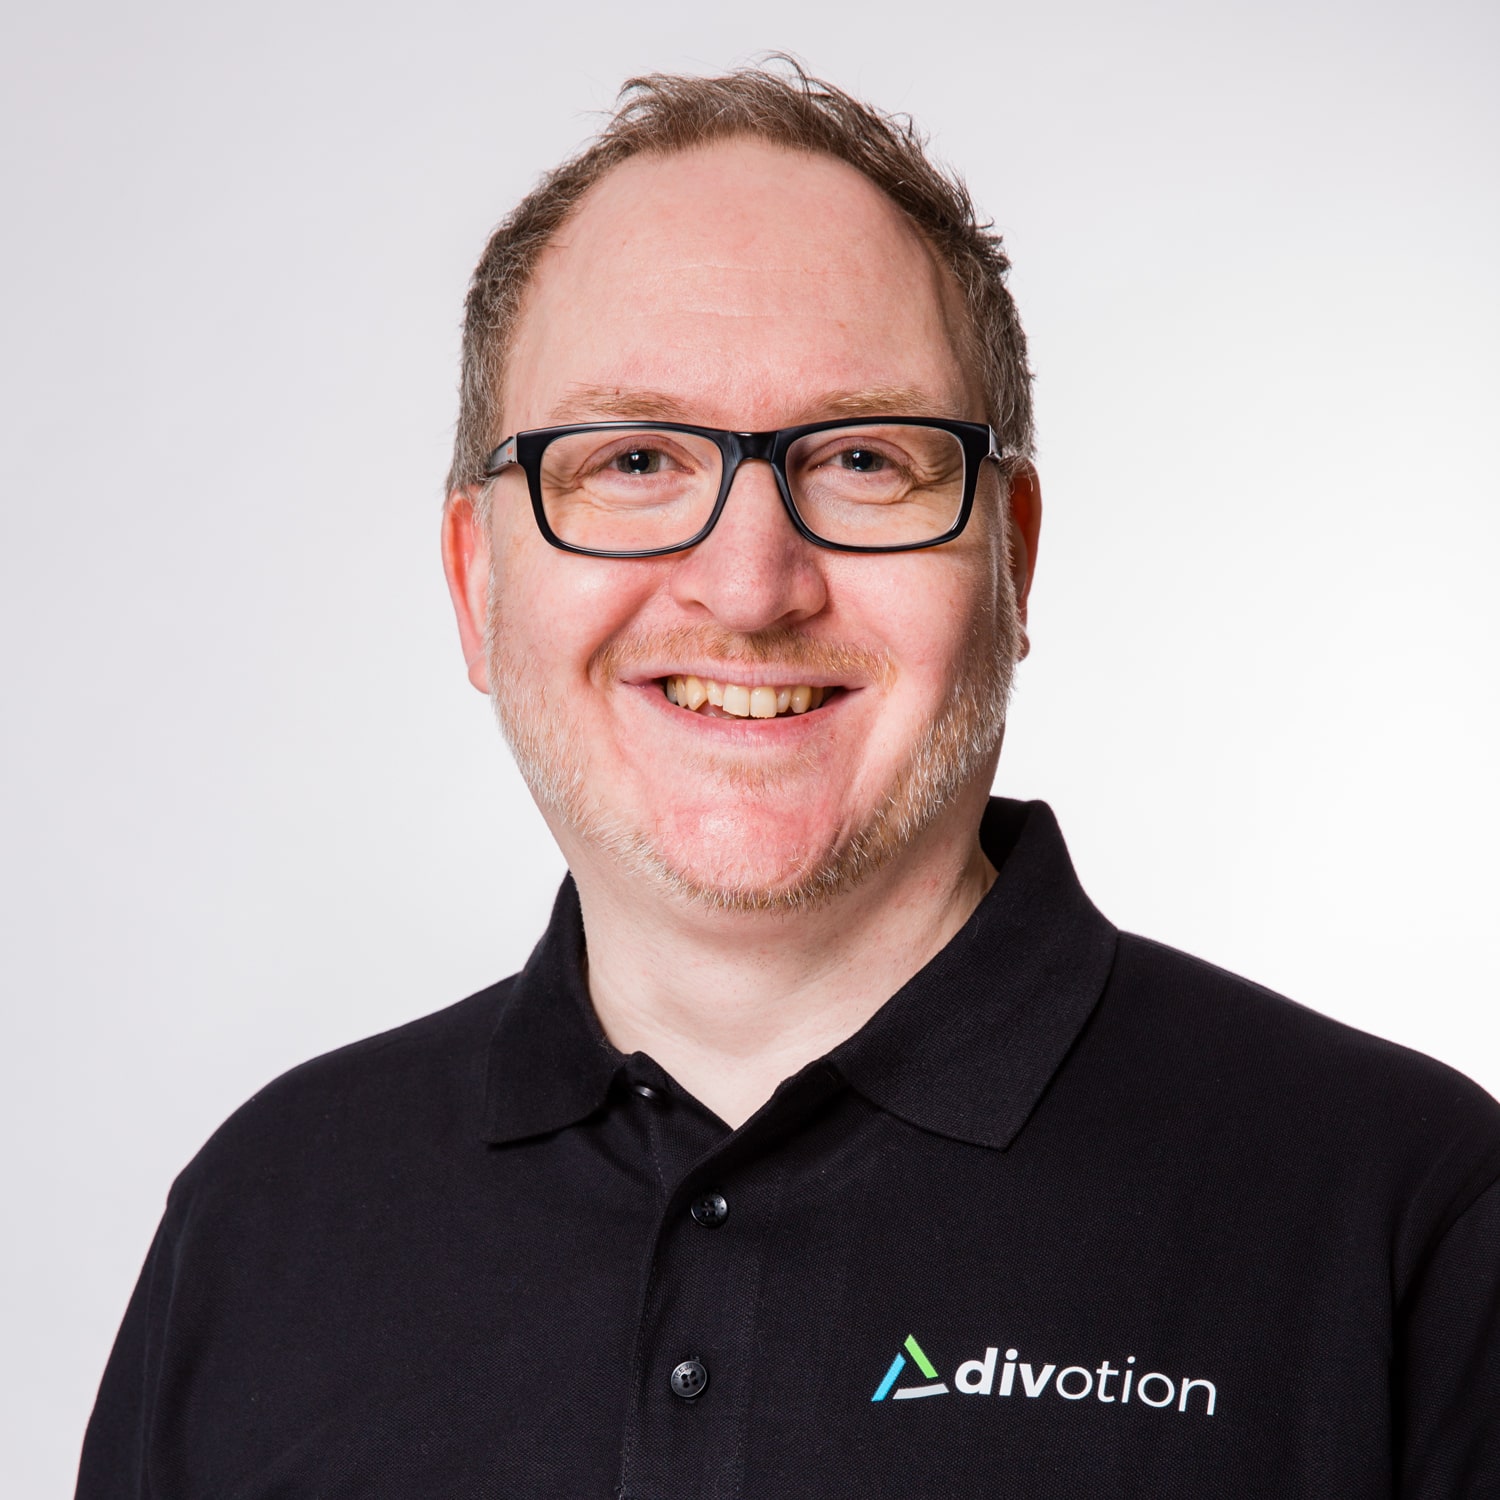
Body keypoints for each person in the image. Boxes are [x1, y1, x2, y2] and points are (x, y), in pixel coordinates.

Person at [76, 62, 1498, 1498]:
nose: (750, 585)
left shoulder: (1412, 1217)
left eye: (864, 459)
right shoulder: (262, 1221)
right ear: (477, 583)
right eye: (633, 458)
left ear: (1012, 559)